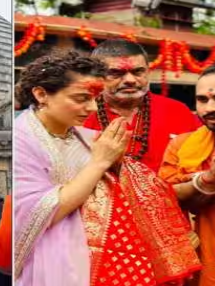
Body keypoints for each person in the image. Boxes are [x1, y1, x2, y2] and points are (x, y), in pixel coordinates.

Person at [14, 51, 200, 286]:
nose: (92, 107)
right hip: (51, 262)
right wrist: (100, 162)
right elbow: (37, 214)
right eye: (81, 98)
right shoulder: (21, 139)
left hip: (98, 259)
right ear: (41, 94)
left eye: (95, 98)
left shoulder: (83, 137)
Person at [84, 39, 201, 172]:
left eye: (138, 71)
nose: (130, 80)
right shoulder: (81, 113)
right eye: (116, 73)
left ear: (148, 71)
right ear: (95, 76)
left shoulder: (177, 111)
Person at [159, 64, 215, 286]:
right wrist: (206, 179)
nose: (210, 107)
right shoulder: (182, 145)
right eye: (202, 100)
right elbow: (164, 196)